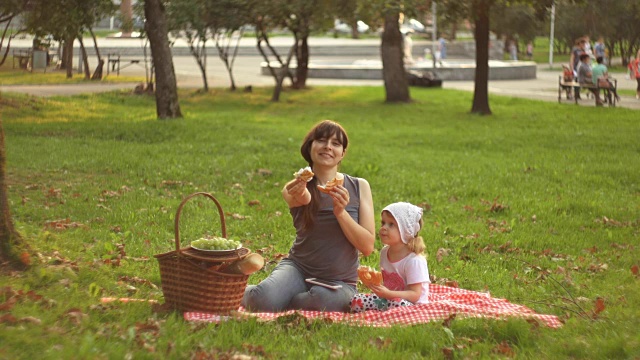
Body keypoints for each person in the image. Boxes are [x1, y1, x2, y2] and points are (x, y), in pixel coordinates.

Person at [242, 120, 376, 312]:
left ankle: (288, 300)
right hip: (298, 269)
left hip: (340, 281)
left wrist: (340, 212)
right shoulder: (295, 186)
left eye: (336, 143)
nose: (328, 147)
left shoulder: (359, 186)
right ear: (310, 147)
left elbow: (367, 246)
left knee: (321, 301)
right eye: (321, 140)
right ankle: (238, 291)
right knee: (262, 301)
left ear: (342, 154)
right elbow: (303, 198)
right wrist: (302, 190)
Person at [350, 202, 430, 313]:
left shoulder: (414, 261)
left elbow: (415, 294)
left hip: (412, 305)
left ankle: (388, 313)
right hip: (389, 299)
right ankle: (385, 312)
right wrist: (376, 287)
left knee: (398, 304)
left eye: (391, 224)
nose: (383, 228)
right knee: (356, 300)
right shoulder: (384, 252)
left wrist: (389, 294)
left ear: (405, 230)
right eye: (383, 223)